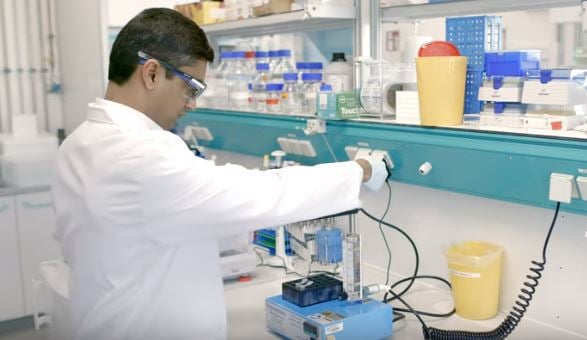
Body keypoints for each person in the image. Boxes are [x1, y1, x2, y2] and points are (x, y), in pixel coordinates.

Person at [52, 7, 388, 340]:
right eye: (191, 87)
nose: (192, 104)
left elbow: (150, 229)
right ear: (152, 73)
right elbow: (260, 193)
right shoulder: (140, 154)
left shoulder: (79, 143)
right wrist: (360, 169)